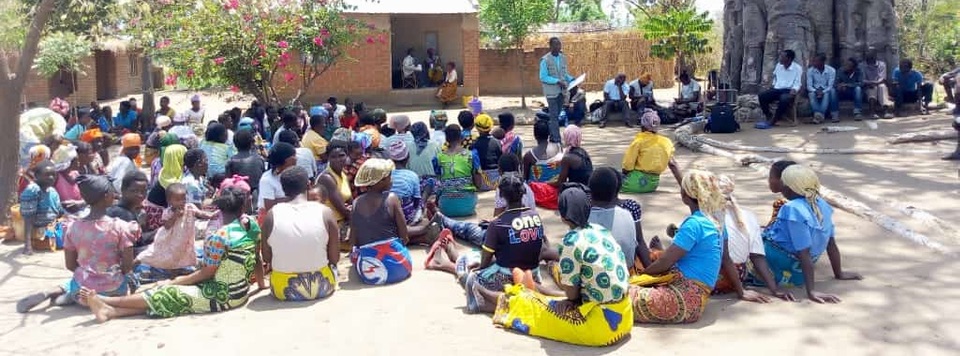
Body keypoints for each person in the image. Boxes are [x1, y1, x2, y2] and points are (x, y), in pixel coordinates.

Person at [77, 185, 263, 322]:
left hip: (223, 297)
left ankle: (108, 299)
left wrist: (174, 282)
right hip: (239, 291)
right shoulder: (251, 226)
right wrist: (261, 286)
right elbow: (257, 259)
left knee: (168, 291)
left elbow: (206, 273)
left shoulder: (219, 237)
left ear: (220, 209)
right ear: (242, 208)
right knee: (170, 296)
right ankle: (111, 311)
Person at [479, 186, 632, 346]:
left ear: (563, 216)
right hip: (624, 316)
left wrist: (570, 301)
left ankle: (484, 294)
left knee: (535, 310)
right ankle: (524, 291)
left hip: (600, 329)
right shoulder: (600, 230)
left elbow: (572, 293)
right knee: (548, 299)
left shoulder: (572, 241)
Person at [628, 169, 770, 324]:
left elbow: (665, 263)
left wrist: (641, 278)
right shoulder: (717, 221)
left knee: (620, 293)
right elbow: (726, 259)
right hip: (697, 297)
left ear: (684, 196)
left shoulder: (694, 224)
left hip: (683, 299)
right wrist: (741, 291)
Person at [16, 175, 138, 313]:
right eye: (112, 192)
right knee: (133, 278)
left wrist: (91, 275)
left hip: (81, 291)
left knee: (81, 276)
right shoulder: (121, 227)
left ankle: (64, 294)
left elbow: (70, 265)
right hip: (114, 291)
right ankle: (90, 297)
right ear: (106, 196)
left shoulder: (72, 227)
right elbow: (127, 266)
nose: (115, 195)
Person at [758, 165, 862, 303]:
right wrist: (839, 273)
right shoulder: (821, 204)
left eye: (783, 183)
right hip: (801, 267)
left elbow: (803, 252)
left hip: (785, 267)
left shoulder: (792, 209)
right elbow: (830, 243)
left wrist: (811, 291)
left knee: (748, 241)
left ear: (789, 188)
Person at [262, 166, 340, 301]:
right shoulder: (325, 212)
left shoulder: (271, 215)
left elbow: (267, 258)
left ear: (283, 189)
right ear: (309, 185)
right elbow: (334, 259)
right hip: (322, 285)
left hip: (282, 289)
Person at [133, 183, 216, 287]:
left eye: (183, 199)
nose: (181, 202)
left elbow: (200, 213)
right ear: (169, 201)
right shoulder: (168, 212)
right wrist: (175, 216)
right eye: (177, 200)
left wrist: (211, 215)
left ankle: (174, 276)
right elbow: (166, 226)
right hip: (168, 239)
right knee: (153, 252)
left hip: (181, 240)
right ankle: (132, 264)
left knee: (178, 257)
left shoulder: (189, 207)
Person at [350, 159, 413, 285]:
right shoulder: (392, 198)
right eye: (389, 176)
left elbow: (353, 241)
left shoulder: (356, 203)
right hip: (400, 267)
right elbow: (404, 236)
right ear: (381, 181)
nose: (391, 179)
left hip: (368, 273)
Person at [588, 167, 648, 269]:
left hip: (597, 272)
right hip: (626, 268)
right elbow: (639, 240)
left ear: (590, 188)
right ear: (617, 189)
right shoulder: (628, 211)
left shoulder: (584, 213)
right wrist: (650, 269)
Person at [621, 109, 675, 193]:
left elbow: (627, 166)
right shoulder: (667, 142)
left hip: (635, 183)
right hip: (653, 184)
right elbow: (673, 164)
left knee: (609, 177)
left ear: (642, 126)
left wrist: (623, 174)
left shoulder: (639, 141)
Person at [18, 162, 64, 254]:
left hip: (52, 225)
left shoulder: (52, 191)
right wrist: (28, 245)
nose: (51, 178)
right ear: (37, 176)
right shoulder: (33, 190)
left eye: (53, 175)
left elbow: (59, 211)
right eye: (47, 175)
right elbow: (28, 218)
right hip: (40, 230)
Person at [436, 124, 481, 217]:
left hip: (446, 207)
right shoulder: (472, 155)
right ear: (461, 137)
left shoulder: (438, 158)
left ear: (446, 139)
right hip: (468, 205)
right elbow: (479, 183)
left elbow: (438, 181)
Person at [756, 50, 803, 129]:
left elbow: (798, 82)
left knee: (784, 99)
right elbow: (775, 78)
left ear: (789, 59)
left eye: (782, 57)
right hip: (777, 89)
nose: (780, 58)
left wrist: (794, 89)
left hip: (789, 90)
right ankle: (769, 115)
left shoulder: (797, 68)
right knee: (762, 96)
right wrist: (773, 85)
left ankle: (775, 119)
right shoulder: (779, 65)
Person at [318, 144, 353, 250]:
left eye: (341, 155)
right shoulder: (327, 178)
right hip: (333, 225)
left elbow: (351, 201)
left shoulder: (343, 175)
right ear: (328, 158)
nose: (338, 160)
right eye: (333, 157)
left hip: (344, 220)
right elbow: (343, 210)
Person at [539, 37, 575, 143]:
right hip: (551, 92)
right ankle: (556, 138)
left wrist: (572, 79)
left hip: (561, 92)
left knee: (556, 115)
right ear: (550, 46)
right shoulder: (545, 60)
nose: (558, 47)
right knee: (554, 116)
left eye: (559, 44)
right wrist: (557, 81)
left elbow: (564, 74)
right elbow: (543, 77)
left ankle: (551, 134)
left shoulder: (563, 58)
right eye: (555, 45)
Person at [226, 130, 265, 211]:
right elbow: (262, 178)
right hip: (257, 196)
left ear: (235, 145)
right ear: (251, 144)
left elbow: (228, 183)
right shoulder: (260, 159)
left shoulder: (231, 161)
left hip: (239, 198)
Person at [258, 142, 298, 213]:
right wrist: (294, 198)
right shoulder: (267, 180)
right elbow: (269, 206)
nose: (296, 159)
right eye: (294, 156)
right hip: (272, 216)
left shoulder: (294, 174)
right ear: (287, 160)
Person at [409, 122, 442, 198]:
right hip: (433, 185)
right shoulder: (435, 145)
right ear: (426, 131)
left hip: (414, 184)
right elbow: (440, 166)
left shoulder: (407, 146)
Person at [472, 114, 502, 191]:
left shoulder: (474, 144)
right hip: (497, 182)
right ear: (491, 126)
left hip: (481, 182)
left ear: (476, 127)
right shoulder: (497, 142)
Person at [861, 50, 892, 119]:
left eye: (871, 55)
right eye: (867, 55)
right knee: (872, 88)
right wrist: (871, 83)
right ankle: (872, 112)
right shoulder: (862, 65)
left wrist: (876, 83)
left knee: (882, 87)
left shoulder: (882, 64)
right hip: (867, 85)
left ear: (875, 55)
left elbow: (883, 77)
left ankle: (886, 111)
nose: (870, 57)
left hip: (879, 83)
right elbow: (862, 79)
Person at [807, 53, 837, 123]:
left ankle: (818, 116)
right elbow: (809, 86)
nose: (813, 63)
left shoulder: (831, 70)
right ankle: (820, 115)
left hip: (826, 89)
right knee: (811, 94)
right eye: (813, 61)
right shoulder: (810, 70)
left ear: (822, 62)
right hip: (815, 89)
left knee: (827, 93)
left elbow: (830, 85)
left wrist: (823, 91)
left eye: (816, 61)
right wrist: (815, 90)